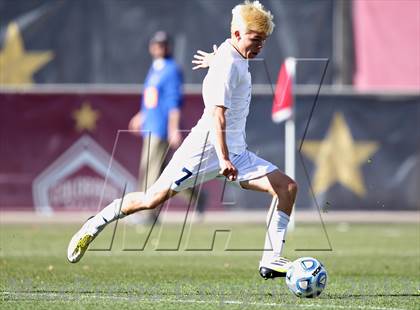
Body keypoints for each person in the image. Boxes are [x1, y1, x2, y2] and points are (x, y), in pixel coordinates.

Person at [67, 0, 297, 280]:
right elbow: (217, 116)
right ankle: (95, 224)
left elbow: (228, 61)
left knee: (287, 188)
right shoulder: (227, 63)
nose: (260, 46)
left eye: (264, 41)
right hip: (205, 149)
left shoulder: (232, 55)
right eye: (255, 39)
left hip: (236, 152)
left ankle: (271, 260)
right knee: (151, 199)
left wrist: (216, 61)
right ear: (237, 34)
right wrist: (223, 158)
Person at [128, 31, 206, 222]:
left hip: (161, 127)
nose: (159, 48)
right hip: (151, 123)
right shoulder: (155, 68)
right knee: (163, 173)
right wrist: (141, 115)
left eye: (163, 45)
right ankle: (196, 195)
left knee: (150, 169)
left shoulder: (171, 69)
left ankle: (147, 213)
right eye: (156, 44)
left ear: (168, 47)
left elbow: (173, 102)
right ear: (151, 47)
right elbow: (152, 97)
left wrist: (173, 128)